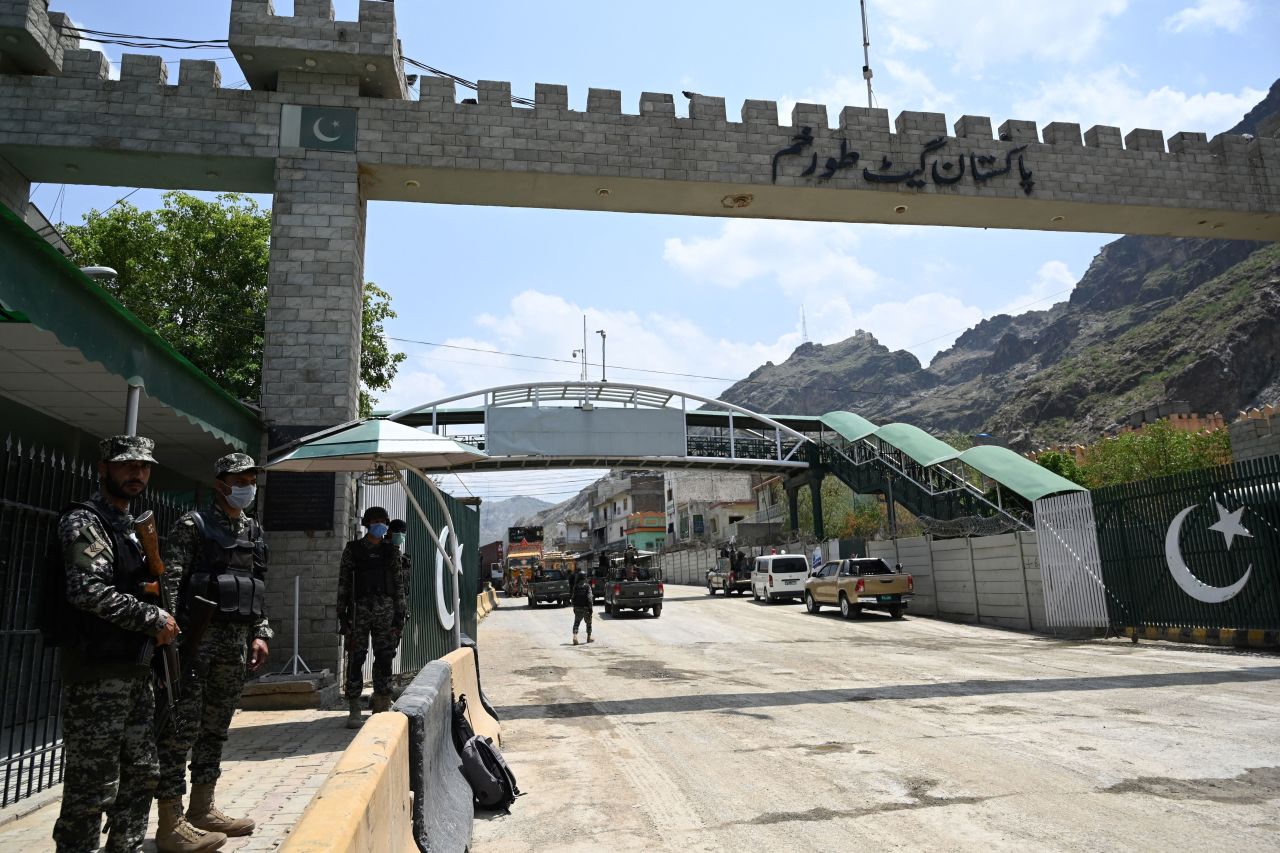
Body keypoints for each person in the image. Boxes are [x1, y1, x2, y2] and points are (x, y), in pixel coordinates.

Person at [52, 435, 182, 853]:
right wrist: (153, 616)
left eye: (143, 467)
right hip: (98, 674)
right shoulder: (84, 521)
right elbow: (86, 590)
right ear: (103, 468)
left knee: (143, 771)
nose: (137, 473)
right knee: (93, 786)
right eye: (127, 465)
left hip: (135, 670)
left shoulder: (132, 528)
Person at [156, 452, 271, 851]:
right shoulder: (194, 525)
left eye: (251, 479)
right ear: (221, 483)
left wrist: (261, 632)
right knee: (179, 730)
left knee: (216, 727)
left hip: (235, 645)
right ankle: (169, 820)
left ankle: (202, 808)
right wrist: (171, 636)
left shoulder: (253, 530)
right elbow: (170, 580)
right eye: (241, 479)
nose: (248, 487)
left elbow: (256, 583)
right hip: (195, 644)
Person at [338, 506, 407, 729]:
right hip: (360, 610)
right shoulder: (353, 550)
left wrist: (400, 616)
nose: (380, 525)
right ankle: (355, 706)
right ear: (367, 523)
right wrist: (343, 616)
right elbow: (344, 585)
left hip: (385, 610)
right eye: (375, 521)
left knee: (385, 657)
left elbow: (399, 586)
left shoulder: (391, 551)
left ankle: (381, 702)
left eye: (383, 521)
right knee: (357, 657)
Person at [569, 569, 593, 645]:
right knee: (588, 623)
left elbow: (573, 598)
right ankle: (589, 637)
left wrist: (574, 607)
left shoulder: (576, 587)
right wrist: (590, 608)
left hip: (577, 607)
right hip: (586, 608)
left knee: (576, 623)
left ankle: (575, 636)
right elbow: (589, 597)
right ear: (585, 577)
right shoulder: (587, 586)